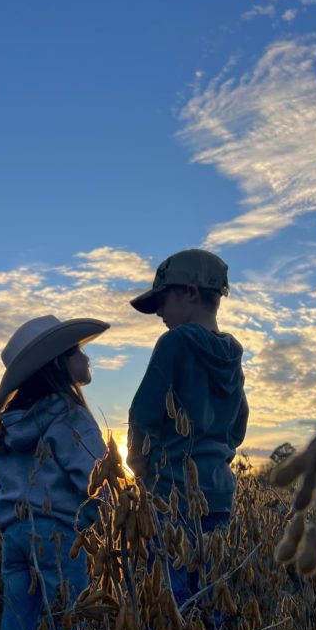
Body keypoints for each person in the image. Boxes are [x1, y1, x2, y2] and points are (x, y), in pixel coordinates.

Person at [0, 314, 109, 630]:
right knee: (71, 623)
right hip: (59, 537)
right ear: (58, 362)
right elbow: (97, 480)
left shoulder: (11, 425)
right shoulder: (70, 416)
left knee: (16, 624)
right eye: (77, 351)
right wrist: (106, 525)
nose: (86, 358)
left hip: (16, 536)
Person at [127, 249, 248, 600]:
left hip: (172, 499)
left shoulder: (174, 343)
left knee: (169, 609)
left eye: (163, 300)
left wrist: (146, 477)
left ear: (191, 293)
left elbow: (142, 417)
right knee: (210, 606)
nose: (160, 312)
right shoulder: (232, 354)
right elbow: (239, 424)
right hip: (220, 499)